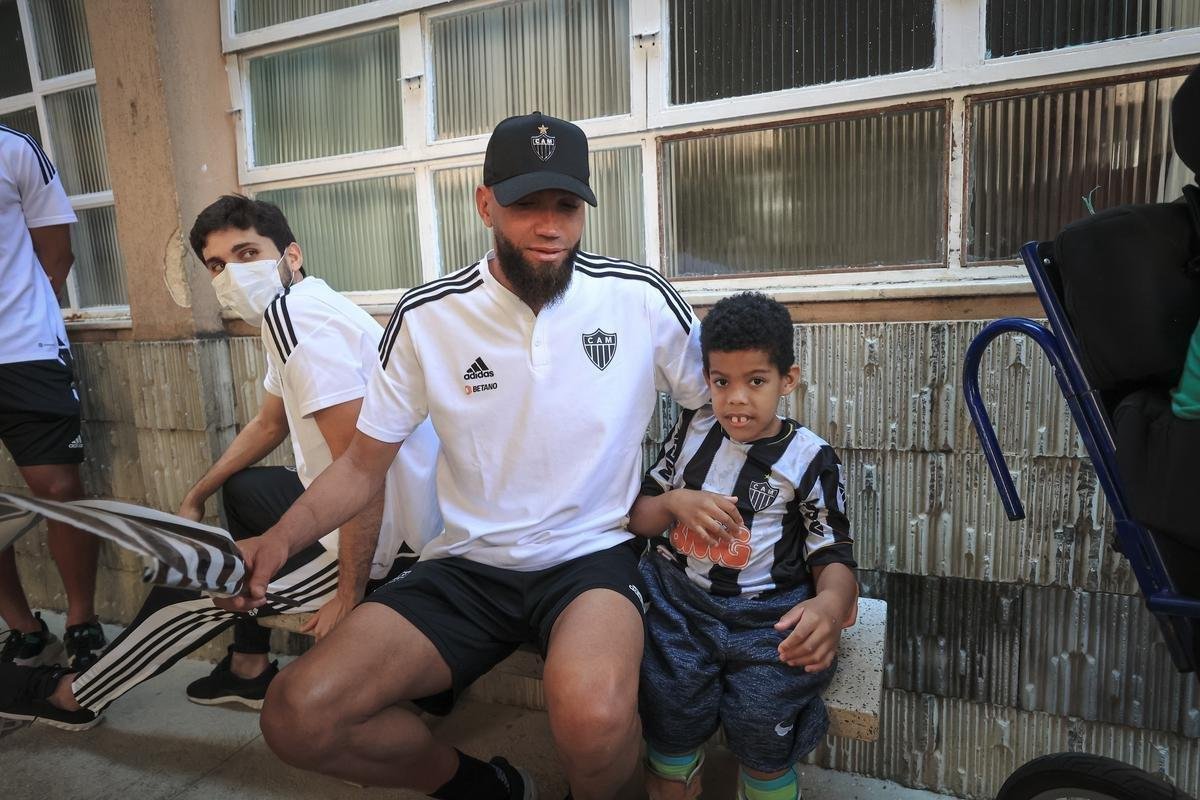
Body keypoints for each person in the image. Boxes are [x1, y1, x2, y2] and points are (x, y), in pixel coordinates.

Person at [219, 112, 710, 800]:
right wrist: (277, 540)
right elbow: (362, 465)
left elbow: (718, 406)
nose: (549, 226)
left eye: (566, 206)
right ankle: (483, 789)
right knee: (298, 715)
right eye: (525, 205)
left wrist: (662, 492)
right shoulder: (427, 316)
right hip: (467, 565)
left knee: (593, 717)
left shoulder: (636, 297)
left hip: (591, 555)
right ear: (485, 204)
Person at [0, 195, 441, 731]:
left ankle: (75, 696)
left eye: (247, 253)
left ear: (291, 255)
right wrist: (198, 491)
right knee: (246, 490)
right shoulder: (301, 307)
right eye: (217, 265)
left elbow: (361, 472)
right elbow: (268, 423)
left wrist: (351, 594)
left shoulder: (297, 317)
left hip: (393, 543)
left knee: (193, 587)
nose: (233, 274)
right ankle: (248, 665)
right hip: (392, 508)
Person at [629, 292, 858, 800]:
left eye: (756, 381)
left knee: (762, 718)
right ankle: (672, 771)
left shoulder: (809, 458)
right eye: (721, 382)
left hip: (766, 616)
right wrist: (675, 504)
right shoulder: (692, 428)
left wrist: (829, 603)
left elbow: (832, 552)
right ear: (706, 379)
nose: (736, 398)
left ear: (787, 380)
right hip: (680, 604)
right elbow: (639, 517)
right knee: (668, 704)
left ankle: (767, 777)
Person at [0, 124, 106, 672]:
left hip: (23, 349)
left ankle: (83, 620)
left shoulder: (14, 149)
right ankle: (23, 628)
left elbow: (56, 256)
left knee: (61, 491)